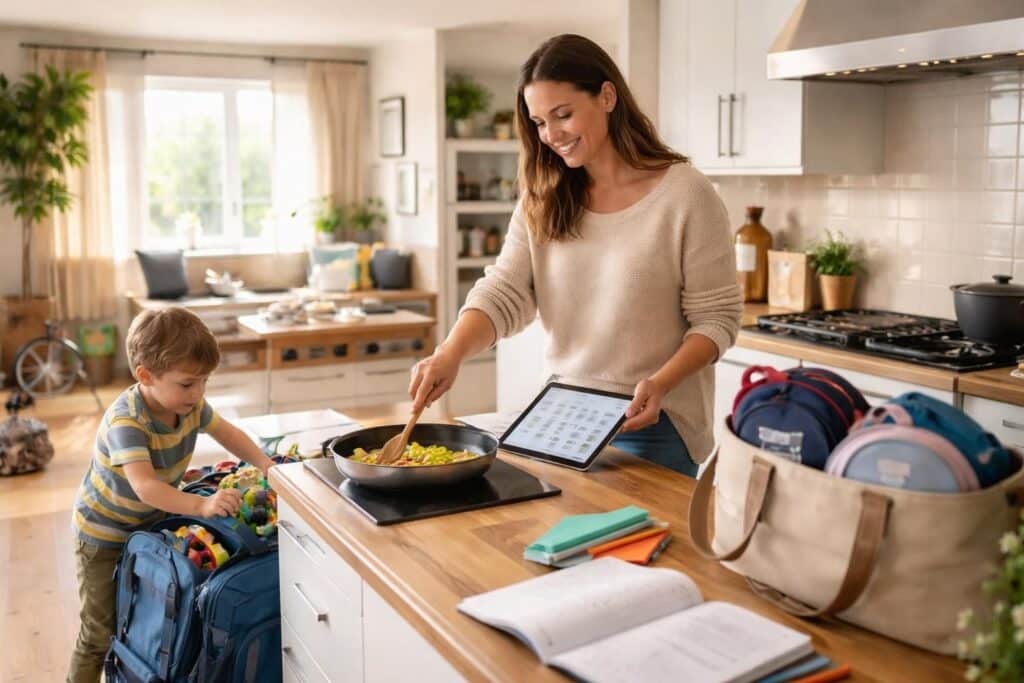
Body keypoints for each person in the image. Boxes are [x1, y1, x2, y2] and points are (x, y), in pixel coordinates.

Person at [409, 34, 742, 476]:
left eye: (562, 115)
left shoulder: (685, 194)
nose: (551, 135)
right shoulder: (544, 194)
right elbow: (505, 290)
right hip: (561, 418)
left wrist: (660, 384)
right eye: (539, 123)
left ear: (607, 96)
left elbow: (716, 319)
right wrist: (450, 352)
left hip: (651, 424)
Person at [67, 307, 276, 682]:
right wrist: (201, 504)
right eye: (187, 384)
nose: (197, 394)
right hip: (102, 534)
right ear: (145, 375)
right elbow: (145, 487)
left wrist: (266, 465)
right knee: (99, 632)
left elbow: (229, 434)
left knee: (146, 612)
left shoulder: (190, 405)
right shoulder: (126, 421)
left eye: (204, 382)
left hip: (150, 522)